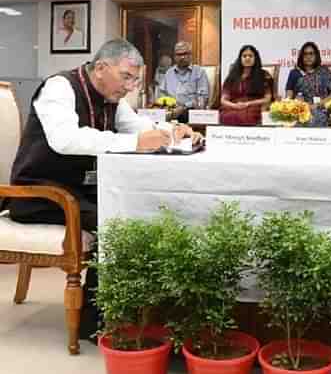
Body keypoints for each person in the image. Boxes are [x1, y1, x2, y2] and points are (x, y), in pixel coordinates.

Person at [5, 38, 201, 342]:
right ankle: (93, 321)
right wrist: (135, 143)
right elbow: (65, 139)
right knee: (114, 221)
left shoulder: (112, 98)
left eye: (135, 80)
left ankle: (130, 309)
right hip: (38, 193)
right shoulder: (58, 87)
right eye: (126, 77)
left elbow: (138, 129)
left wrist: (172, 133)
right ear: (100, 68)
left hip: (76, 191)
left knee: (136, 209)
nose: (131, 87)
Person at [285, 42, 331, 127]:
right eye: (305, 54)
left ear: (316, 55)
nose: (308, 57)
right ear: (301, 57)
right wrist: (295, 102)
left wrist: (319, 104)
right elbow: (288, 96)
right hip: (300, 110)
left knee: (317, 117)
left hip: (321, 108)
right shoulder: (295, 73)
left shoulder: (325, 71)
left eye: (311, 53)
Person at [219, 45, 273, 126]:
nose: (247, 58)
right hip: (234, 107)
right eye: (244, 56)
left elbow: (267, 99)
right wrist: (235, 106)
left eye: (250, 56)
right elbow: (223, 100)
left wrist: (248, 104)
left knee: (245, 117)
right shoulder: (232, 76)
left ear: (255, 58)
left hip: (253, 107)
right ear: (240, 58)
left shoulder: (263, 75)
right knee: (225, 116)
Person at [157, 41, 210, 123]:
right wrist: (169, 108)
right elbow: (162, 95)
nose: (182, 57)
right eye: (179, 54)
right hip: (171, 112)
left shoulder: (199, 72)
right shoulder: (169, 73)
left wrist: (184, 107)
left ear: (190, 55)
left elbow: (202, 100)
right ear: (174, 56)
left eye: (185, 54)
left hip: (191, 113)